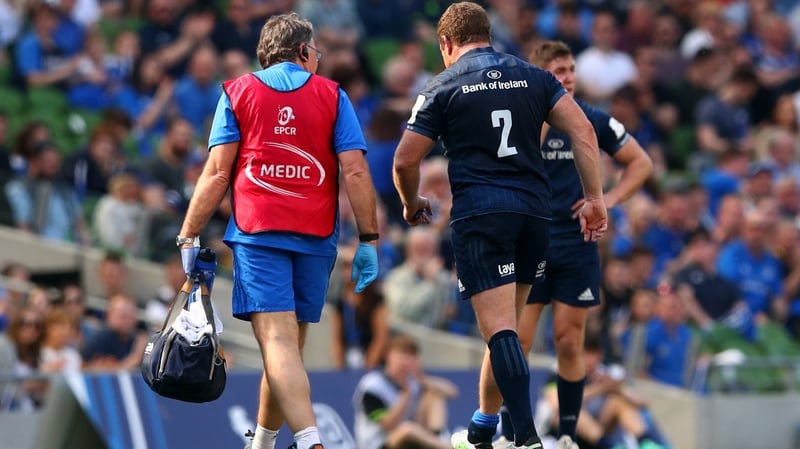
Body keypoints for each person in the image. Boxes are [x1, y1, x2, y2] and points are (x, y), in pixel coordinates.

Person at [391, 5, 608, 449]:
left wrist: (411, 204)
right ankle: (480, 432)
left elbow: (404, 159)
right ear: (487, 35)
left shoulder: (443, 85)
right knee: (505, 332)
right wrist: (596, 199)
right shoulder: (534, 76)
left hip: (482, 216)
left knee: (501, 333)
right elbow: (584, 131)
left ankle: (526, 439)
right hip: (534, 216)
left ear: (446, 44)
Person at [176, 12, 379, 449]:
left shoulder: (237, 91)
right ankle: (264, 444)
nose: (318, 61)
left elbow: (215, 174)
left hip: (258, 233)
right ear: (304, 51)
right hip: (316, 236)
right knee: (287, 348)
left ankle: (309, 442)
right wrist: (369, 240)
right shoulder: (333, 95)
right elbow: (357, 173)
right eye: (316, 53)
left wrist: (188, 234)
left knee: (278, 344)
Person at [490, 40, 653, 449]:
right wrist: (542, 112)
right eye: (558, 71)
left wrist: (608, 200)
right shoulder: (522, 119)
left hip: (576, 241)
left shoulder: (592, 119)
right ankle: (511, 434)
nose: (568, 78)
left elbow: (641, 162)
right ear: (540, 76)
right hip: (530, 240)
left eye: (571, 70)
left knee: (569, 337)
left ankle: (566, 435)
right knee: (517, 339)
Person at [352, 333, 458, 449]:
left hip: (412, 440)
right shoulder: (372, 386)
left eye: (410, 356)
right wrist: (406, 393)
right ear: (388, 355)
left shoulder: (414, 382)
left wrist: (421, 378)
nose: (406, 361)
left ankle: (439, 437)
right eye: (401, 355)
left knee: (434, 394)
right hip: (379, 444)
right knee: (407, 430)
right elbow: (388, 425)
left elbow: (452, 392)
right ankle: (449, 447)